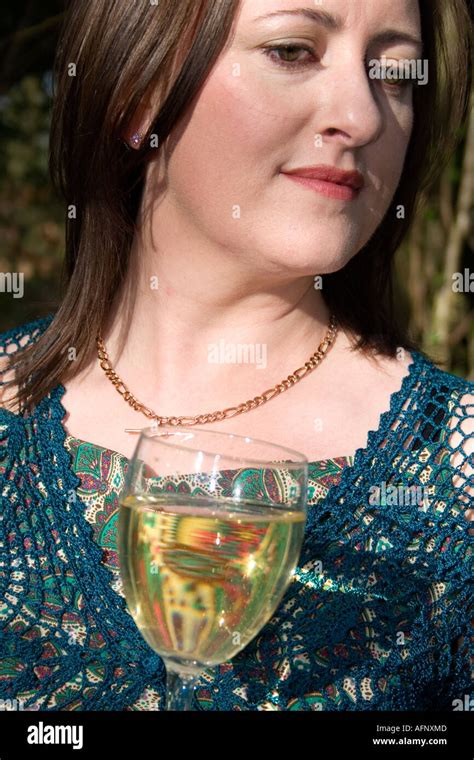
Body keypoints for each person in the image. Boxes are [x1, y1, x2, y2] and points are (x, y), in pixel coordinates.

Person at [0, 0, 472, 711]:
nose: (365, 116)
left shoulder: (457, 469)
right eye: (292, 50)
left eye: (396, 74)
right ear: (138, 90)